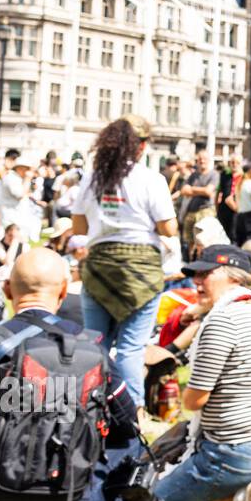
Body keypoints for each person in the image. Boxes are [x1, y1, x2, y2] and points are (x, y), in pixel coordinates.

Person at [0, 248, 141, 501]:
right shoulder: (94, 351)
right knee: (127, 444)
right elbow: (128, 428)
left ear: (8, 290)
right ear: (64, 291)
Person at [130, 245, 251, 501]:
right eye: (195, 274)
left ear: (233, 277)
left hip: (228, 455)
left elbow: (195, 400)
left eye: (205, 273)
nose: (196, 281)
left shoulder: (221, 320)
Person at [71, 115, 179, 399]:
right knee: (132, 348)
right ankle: (132, 414)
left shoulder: (92, 177)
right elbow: (169, 228)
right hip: (141, 271)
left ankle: (91, 405)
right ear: (140, 147)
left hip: (99, 268)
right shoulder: (150, 179)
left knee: (95, 343)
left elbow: (79, 227)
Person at [175, 150, 220, 255]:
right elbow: (184, 190)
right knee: (189, 241)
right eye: (199, 159)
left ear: (208, 160)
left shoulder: (214, 174)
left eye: (204, 159)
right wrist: (201, 190)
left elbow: (208, 191)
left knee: (204, 240)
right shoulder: (193, 175)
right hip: (191, 211)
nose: (202, 161)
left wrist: (192, 190)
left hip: (205, 211)